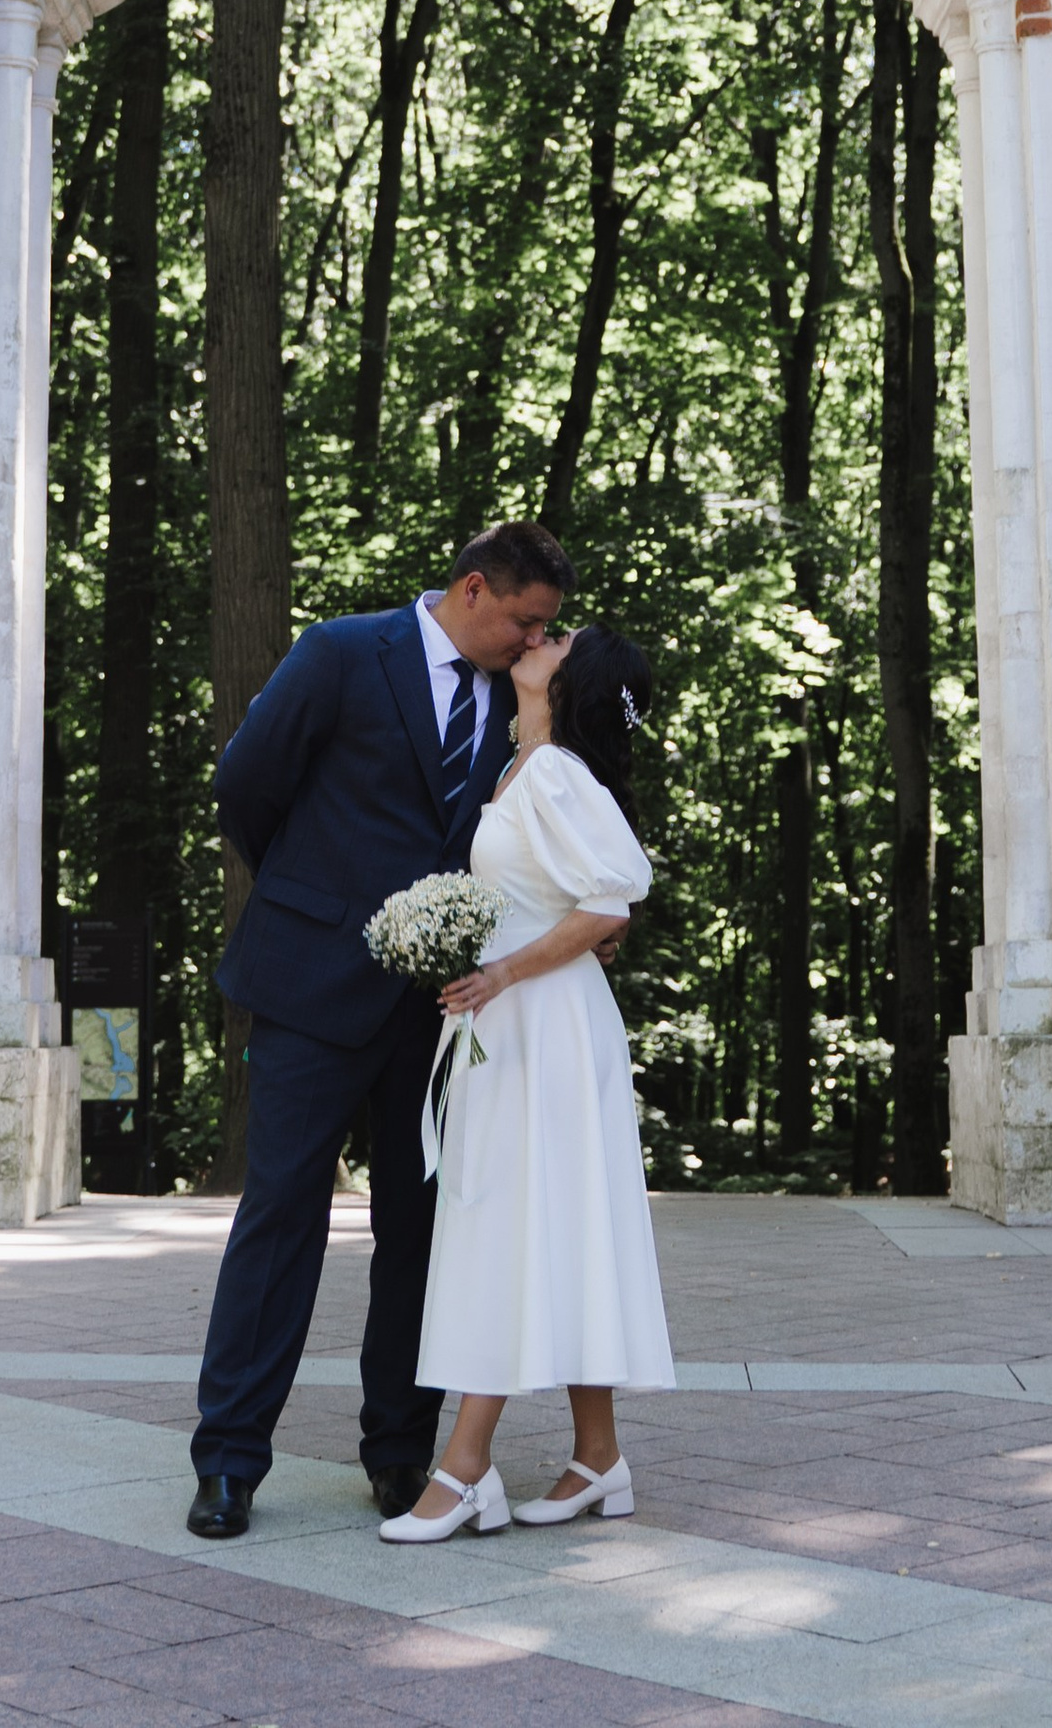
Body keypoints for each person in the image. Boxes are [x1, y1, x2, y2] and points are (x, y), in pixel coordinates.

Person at [185, 521, 581, 1540]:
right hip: (310, 987)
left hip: (440, 1010)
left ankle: (399, 1453)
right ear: (474, 588)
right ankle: (228, 1459)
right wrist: (320, 898)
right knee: (280, 1220)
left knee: (419, 1233)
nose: (536, 640)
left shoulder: (526, 700)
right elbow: (246, 787)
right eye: (527, 621)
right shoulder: (339, 652)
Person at [378, 622, 674, 1541]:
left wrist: (502, 972)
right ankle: (599, 1457)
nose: (537, 638)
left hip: (541, 1020)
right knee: (554, 1218)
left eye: (558, 639)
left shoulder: (551, 772)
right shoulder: (527, 766)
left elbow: (612, 899)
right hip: (522, 1020)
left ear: (571, 677)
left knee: (502, 1221)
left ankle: (465, 1468)